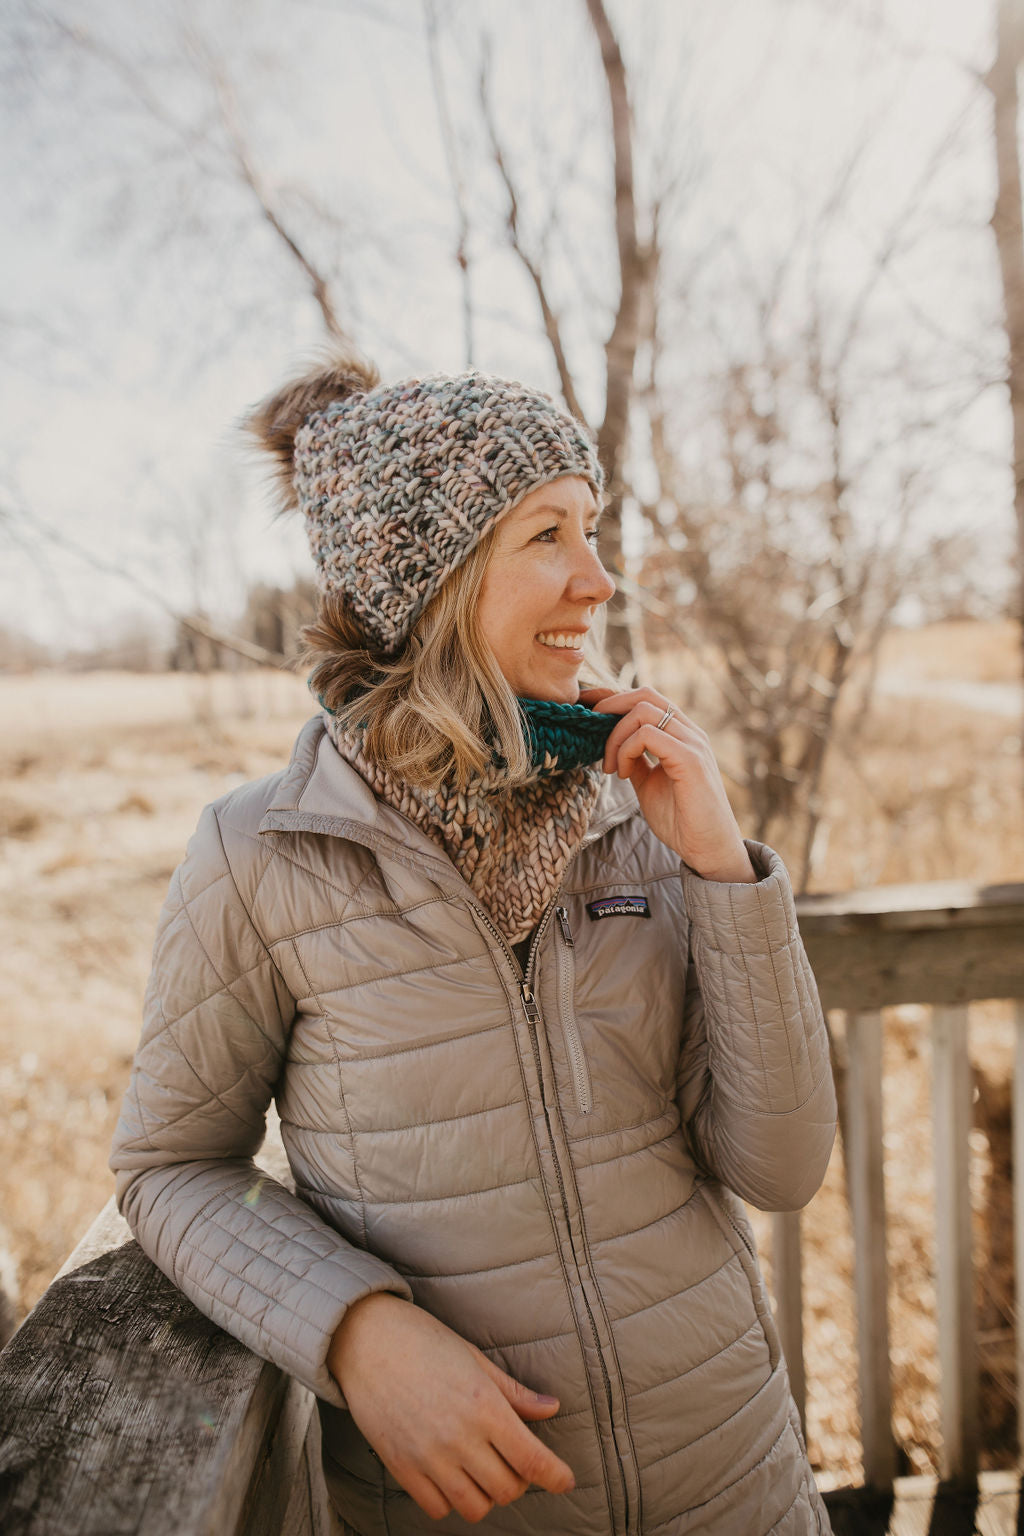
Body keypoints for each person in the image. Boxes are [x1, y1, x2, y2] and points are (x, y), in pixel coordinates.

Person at [110, 355, 837, 1536]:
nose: (598, 581)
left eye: (592, 529)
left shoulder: (636, 811)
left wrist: (721, 868)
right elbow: (168, 1168)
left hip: (739, 1486)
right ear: (427, 581)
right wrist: (353, 1330)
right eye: (547, 534)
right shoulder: (263, 854)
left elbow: (781, 1168)